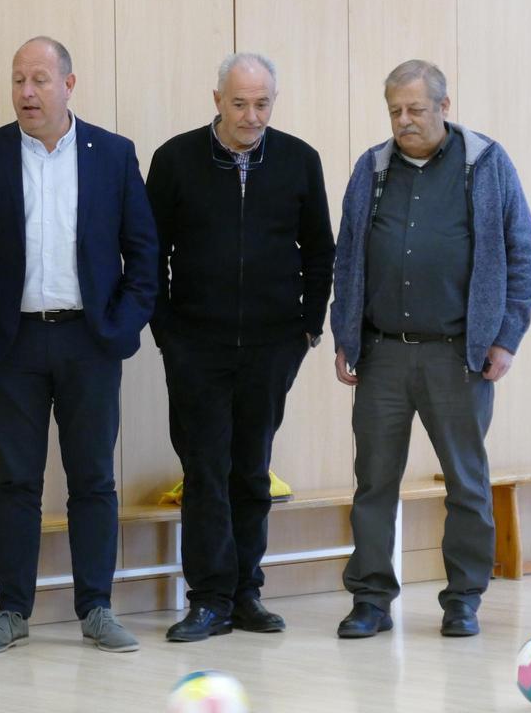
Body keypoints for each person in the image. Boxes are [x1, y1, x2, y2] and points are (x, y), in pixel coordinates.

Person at [0, 36, 157, 654]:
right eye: (17, 80)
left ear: (69, 84)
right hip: (10, 347)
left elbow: (143, 253)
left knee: (93, 480)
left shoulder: (113, 155)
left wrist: (120, 326)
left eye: (39, 80)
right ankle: (12, 612)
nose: (26, 93)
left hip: (90, 342)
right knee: (16, 482)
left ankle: (96, 608)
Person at [330, 59, 531, 639]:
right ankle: (371, 599)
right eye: (395, 111)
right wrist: (344, 333)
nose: (404, 121)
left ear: (444, 107)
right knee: (373, 481)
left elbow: (524, 258)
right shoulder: (371, 169)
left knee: (465, 483)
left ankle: (463, 599)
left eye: (415, 110)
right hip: (382, 354)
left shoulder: (487, 165)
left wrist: (506, 336)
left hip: (459, 356)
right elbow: (348, 255)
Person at [146, 52, 334, 641]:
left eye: (263, 104)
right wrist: (167, 329)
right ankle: (207, 599)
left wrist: (308, 327)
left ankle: (247, 593)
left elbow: (320, 251)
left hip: (274, 345)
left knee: (252, 471)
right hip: (195, 345)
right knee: (205, 470)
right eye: (240, 103)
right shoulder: (175, 160)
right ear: (217, 99)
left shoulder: (300, 160)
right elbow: (150, 251)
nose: (252, 116)